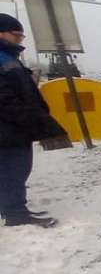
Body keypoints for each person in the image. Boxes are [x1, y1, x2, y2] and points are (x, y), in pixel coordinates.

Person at [0, 13, 70, 228]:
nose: (20, 40)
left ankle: (11, 208)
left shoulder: (7, 57)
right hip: (8, 128)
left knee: (14, 168)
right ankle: (15, 213)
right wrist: (32, 120)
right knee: (13, 168)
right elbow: (6, 100)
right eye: (16, 35)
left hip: (12, 127)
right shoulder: (3, 59)